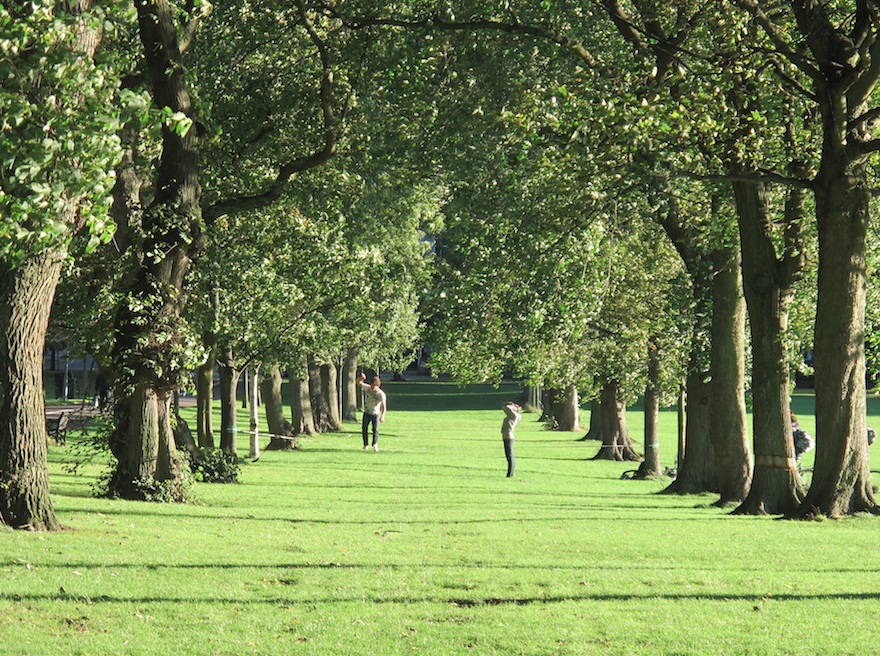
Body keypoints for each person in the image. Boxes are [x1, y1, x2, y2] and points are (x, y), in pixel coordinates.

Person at [357, 372, 387, 451]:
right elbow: (358, 383)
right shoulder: (368, 388)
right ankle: (365, 444)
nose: (372, 388)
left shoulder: (381, 394)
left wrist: (382, 416)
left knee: (375, 430)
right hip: (367, 412)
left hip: (375, 414)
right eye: (371, 386)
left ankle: (375, 444)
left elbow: (384, 406)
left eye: (374, 387)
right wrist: (361, 379)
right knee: (364, 428)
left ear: (378, 386)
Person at [501, 401, 522, 477]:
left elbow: (506, 407)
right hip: (506, 437)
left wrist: (515, 407)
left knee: (510, 457)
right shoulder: (510, 416)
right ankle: (509, 473)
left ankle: (510, 474)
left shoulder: (513, 415)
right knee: (508, 456)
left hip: (509, 437)